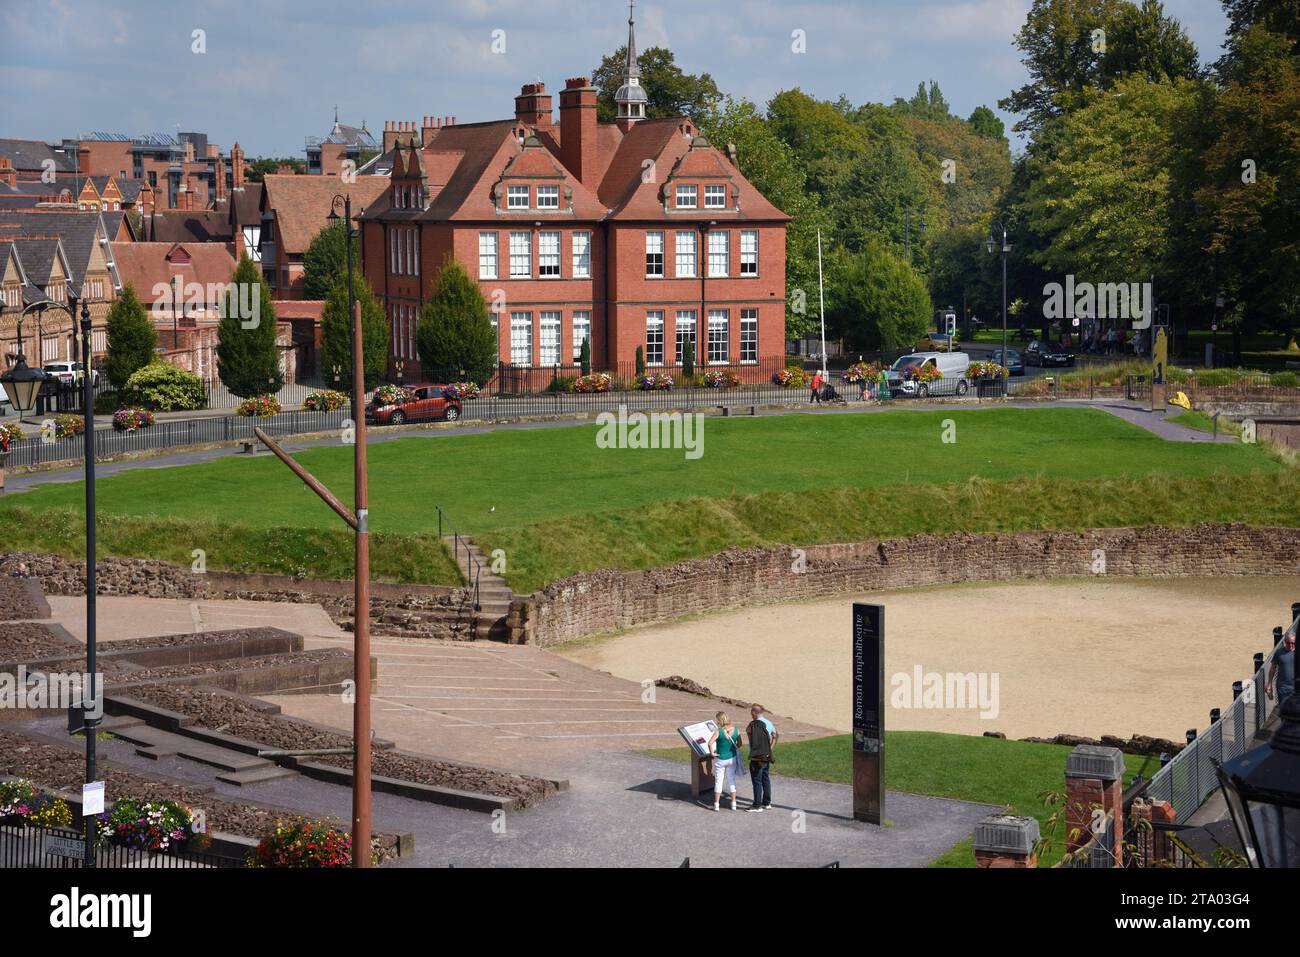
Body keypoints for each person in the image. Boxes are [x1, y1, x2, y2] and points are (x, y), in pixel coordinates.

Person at [707, 711, 743, 811]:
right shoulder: (736, 730)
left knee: (719, 781)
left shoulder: (718, 731)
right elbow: (740, 744)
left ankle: (716, 804)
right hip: (732, 758)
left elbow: (710, 743)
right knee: (731, 780)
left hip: (720, 758)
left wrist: (712, 753)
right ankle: (734, 803)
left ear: (720, 720)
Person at [745, 704, 778, 811]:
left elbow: (750, 737)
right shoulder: (769, 723)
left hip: (756, 757)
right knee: (765, 779)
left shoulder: (752, 725)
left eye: (751, 713)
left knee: (757, 780)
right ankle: (767, 803)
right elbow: (775, 735)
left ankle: (757, 805)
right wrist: (770, 749)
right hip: (766, 756)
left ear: (754, 713)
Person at [1266, 629, 1296, 709]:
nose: (1291, 645)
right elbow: (1273, 668)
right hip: (1283, 688)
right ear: (1285, 642)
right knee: (1284, 710)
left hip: (1297, 688)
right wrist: (1269, 683)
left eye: (1293, 643)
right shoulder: (1279, 653)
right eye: (1288, 643)